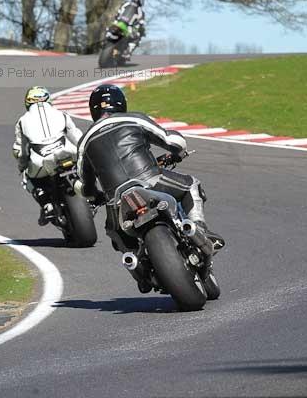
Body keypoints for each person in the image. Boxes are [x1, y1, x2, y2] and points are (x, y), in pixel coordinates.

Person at [76, 83, 224, 287]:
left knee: (115, 234)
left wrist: (95, 196)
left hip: (115, 200)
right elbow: (172, 141)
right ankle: (199, 229)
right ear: (121, 103)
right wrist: (178, 151)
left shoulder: (84, 141)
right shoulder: (133, 118)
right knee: (191, 185)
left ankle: (137, 266)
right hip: (150, 179)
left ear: (93, 109)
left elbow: (84, 183)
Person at [13, 86, 83, 226]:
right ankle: (91, 190)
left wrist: (22, 165)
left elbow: (21, 151)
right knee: (84, 163)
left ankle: (46, 204)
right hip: (68, 152)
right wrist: (84, 152)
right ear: (48, 99)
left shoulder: (22, 121)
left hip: (41, 161)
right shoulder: (61, 114)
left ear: (27, 103)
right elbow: (77, 136)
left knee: (26, 176)